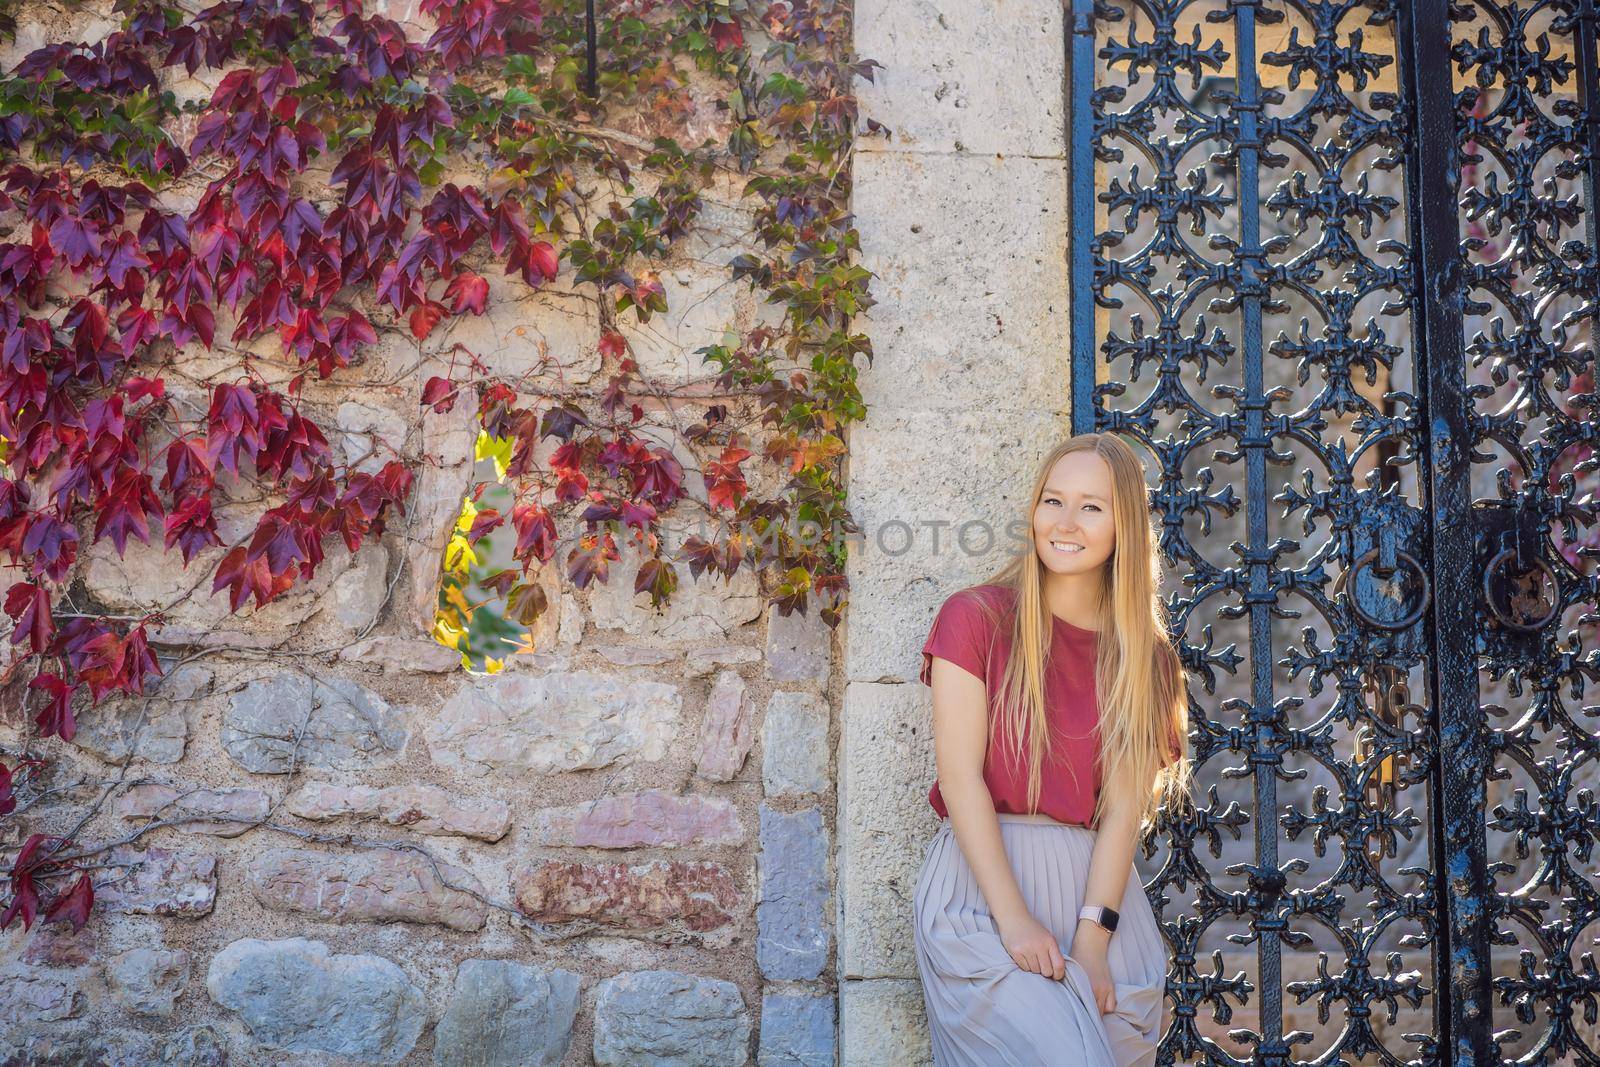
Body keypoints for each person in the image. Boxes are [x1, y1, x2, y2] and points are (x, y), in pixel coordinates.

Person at [913, 432, 1193, 1067]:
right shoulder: (975, 618)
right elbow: (960, 781)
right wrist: (1013, 921)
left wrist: (1091, 946)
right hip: (981, 889)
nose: (1065, 523)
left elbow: (1123, 811)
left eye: (1091, 507)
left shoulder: (1145, 660)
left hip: (1096, 899)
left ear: (1125, 526)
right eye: (1052, 500)